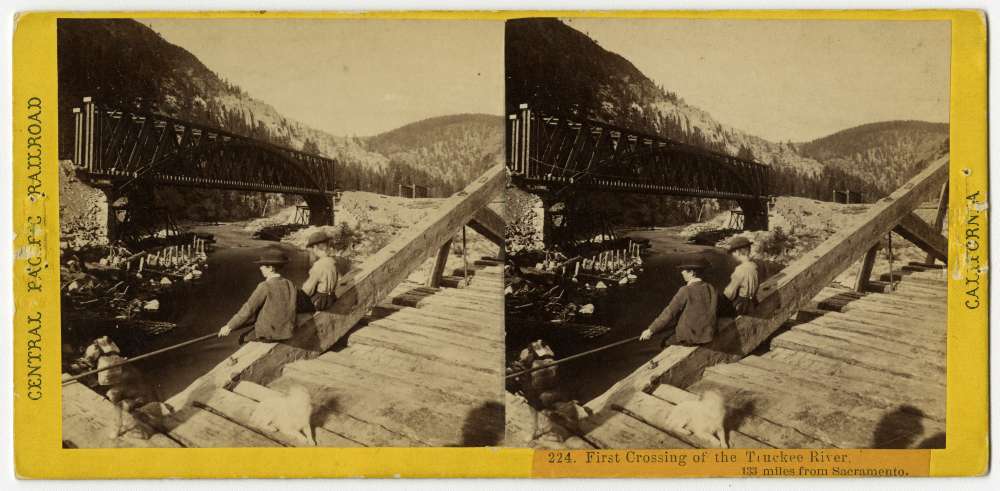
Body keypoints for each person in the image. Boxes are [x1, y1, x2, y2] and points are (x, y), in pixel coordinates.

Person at [218, 249, 297, 341]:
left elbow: (248, 309)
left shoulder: (265, 286)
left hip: (269, 334)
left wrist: (229, 326)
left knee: (242, 338)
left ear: (271, 268)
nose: (260, 268)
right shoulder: (290, 283)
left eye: (262, 265)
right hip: (287, 332)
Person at [639, 258, 718, 346]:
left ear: (692, 273)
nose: (681, 272)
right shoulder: (711, 288)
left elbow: (669, 312)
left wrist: (650, 330)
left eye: (683, 270)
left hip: (691, 338)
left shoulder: (685, 290)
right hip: (708, 335)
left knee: (664, 342)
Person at [300, 230, 339, 311]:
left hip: (320, 302)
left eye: (312, 248)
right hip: (331, 298)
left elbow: (308, 290)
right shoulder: (333, 261)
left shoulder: (318, 265)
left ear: (316, 247)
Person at [723, 236, 759, 315]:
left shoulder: (740, 269)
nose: (732, 255)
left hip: (741, 306)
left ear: (738, 252)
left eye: (733, 252)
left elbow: (730, 294)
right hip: (753, 302)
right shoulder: (754, 266)